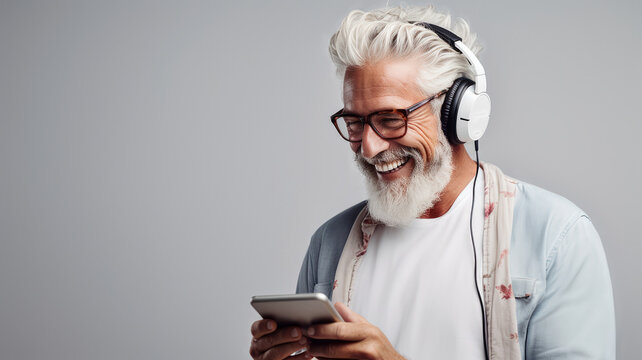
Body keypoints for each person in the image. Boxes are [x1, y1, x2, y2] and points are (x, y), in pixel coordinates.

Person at [249, 6, 615, 360]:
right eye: (355, 122)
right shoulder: (329, 243)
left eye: (391, 118)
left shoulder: (557, 237)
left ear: (457, 112)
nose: (368, 146)